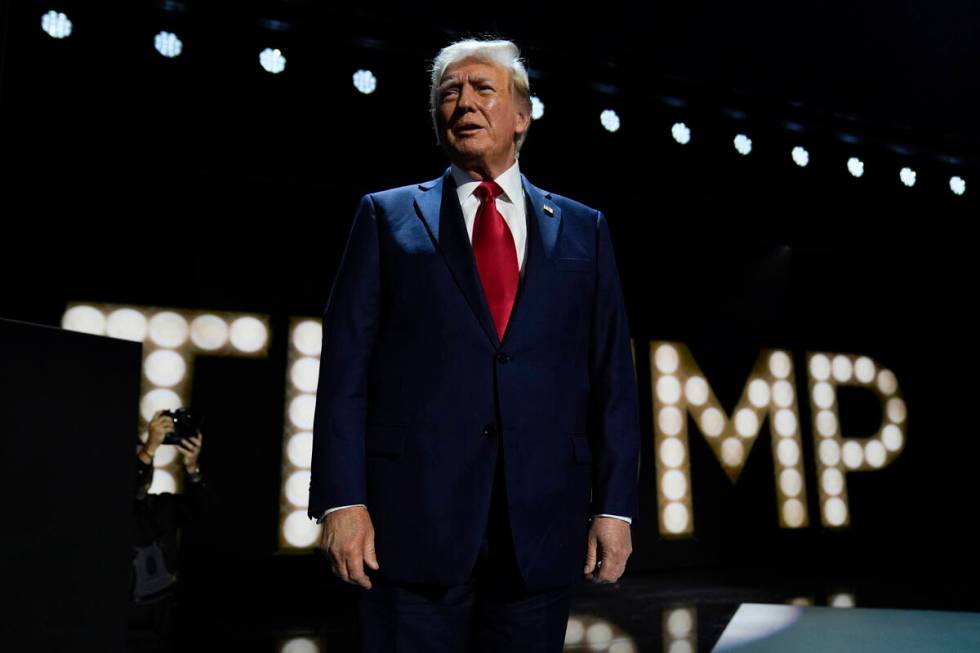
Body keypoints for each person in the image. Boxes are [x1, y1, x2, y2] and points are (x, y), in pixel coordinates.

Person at [308, 37, 641, 652]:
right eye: (448, 92)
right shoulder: (385, 217)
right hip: (408, 527)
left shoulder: (582, 228)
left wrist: (615, 508)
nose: (463, 102)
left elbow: (612, 378)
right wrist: (341, 501)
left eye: (482, 88)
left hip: (540, 524)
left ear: (522, 115)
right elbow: (344, 371)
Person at [127, 410, 214, 653]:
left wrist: (193, 469)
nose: (144, 462)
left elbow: (205, 512)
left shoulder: (160, 507)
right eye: (138, 458)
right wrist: (149, 447)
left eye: (146, 458)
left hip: (160, 626)